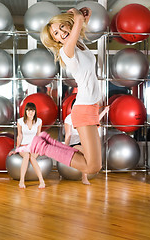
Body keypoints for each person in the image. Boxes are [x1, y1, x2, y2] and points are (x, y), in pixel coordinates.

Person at [29, 7, 108, 177]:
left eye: (61, 27)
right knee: (92, 167)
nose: (61, 33)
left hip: (91, 108)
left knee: (90, 159)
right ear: (55, 40)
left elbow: (78, 24)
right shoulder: (66, 52)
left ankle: (49, 142)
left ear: (68, 23)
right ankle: (43, 146)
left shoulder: (79, 44)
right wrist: (78, 17)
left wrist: (83, 15)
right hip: (84, 109)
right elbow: (77, 23)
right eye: (56, 34)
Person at [9, 102, 45, 189]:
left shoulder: (39, 121)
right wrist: (17, 148)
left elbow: (38, 136)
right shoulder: (20, 121)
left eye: (32, 110)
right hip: (24, 146)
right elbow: (19, 135)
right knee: (26, 156)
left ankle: (42, 181)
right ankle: (22, 181)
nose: (30, 112)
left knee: (32, 157)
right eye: (28, 110)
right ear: (25, 111)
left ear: (35, 111)